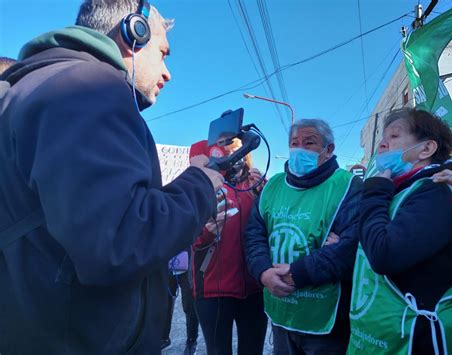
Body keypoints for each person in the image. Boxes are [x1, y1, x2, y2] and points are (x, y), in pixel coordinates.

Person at [0, 1, 224, 353]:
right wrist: (200, 182)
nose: (167, 73)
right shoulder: (87, 87)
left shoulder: (27, 92)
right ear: (134, 31)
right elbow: (119, 240)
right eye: (163, 54)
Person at [347, 108, 452, 354]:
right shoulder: (402, 188)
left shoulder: (440, 188)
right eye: (383, 137)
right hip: (384, 337)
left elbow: (384, 254)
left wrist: (375, 192)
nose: (382, 144)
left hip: (421, 340)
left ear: (426, 149)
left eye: (394, 136)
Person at [245, 119, 362, 354]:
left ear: (329, 150)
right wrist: (263, 272)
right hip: (281, 313)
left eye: (309, 143)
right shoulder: (272, 186)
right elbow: (254, 235)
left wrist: (296, 274)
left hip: (327, 323)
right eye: (294, 143)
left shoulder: (347, 186)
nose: (299, 149)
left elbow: (349, 247)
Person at [190, 139, 268, 355]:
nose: (235, 156)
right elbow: (186, 239)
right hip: (213, 289)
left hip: (254, 288)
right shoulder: (200, 188)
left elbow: (274, 231)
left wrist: (267, 196)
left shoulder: (258, 184)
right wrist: (207, 232)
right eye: (228, 151)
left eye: (238, 150)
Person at [162, 249, 200, 354]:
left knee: (189, 306)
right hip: (168, 266)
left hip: (187, 267)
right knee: (165, 303)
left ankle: (192, 341)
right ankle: (164, 338)